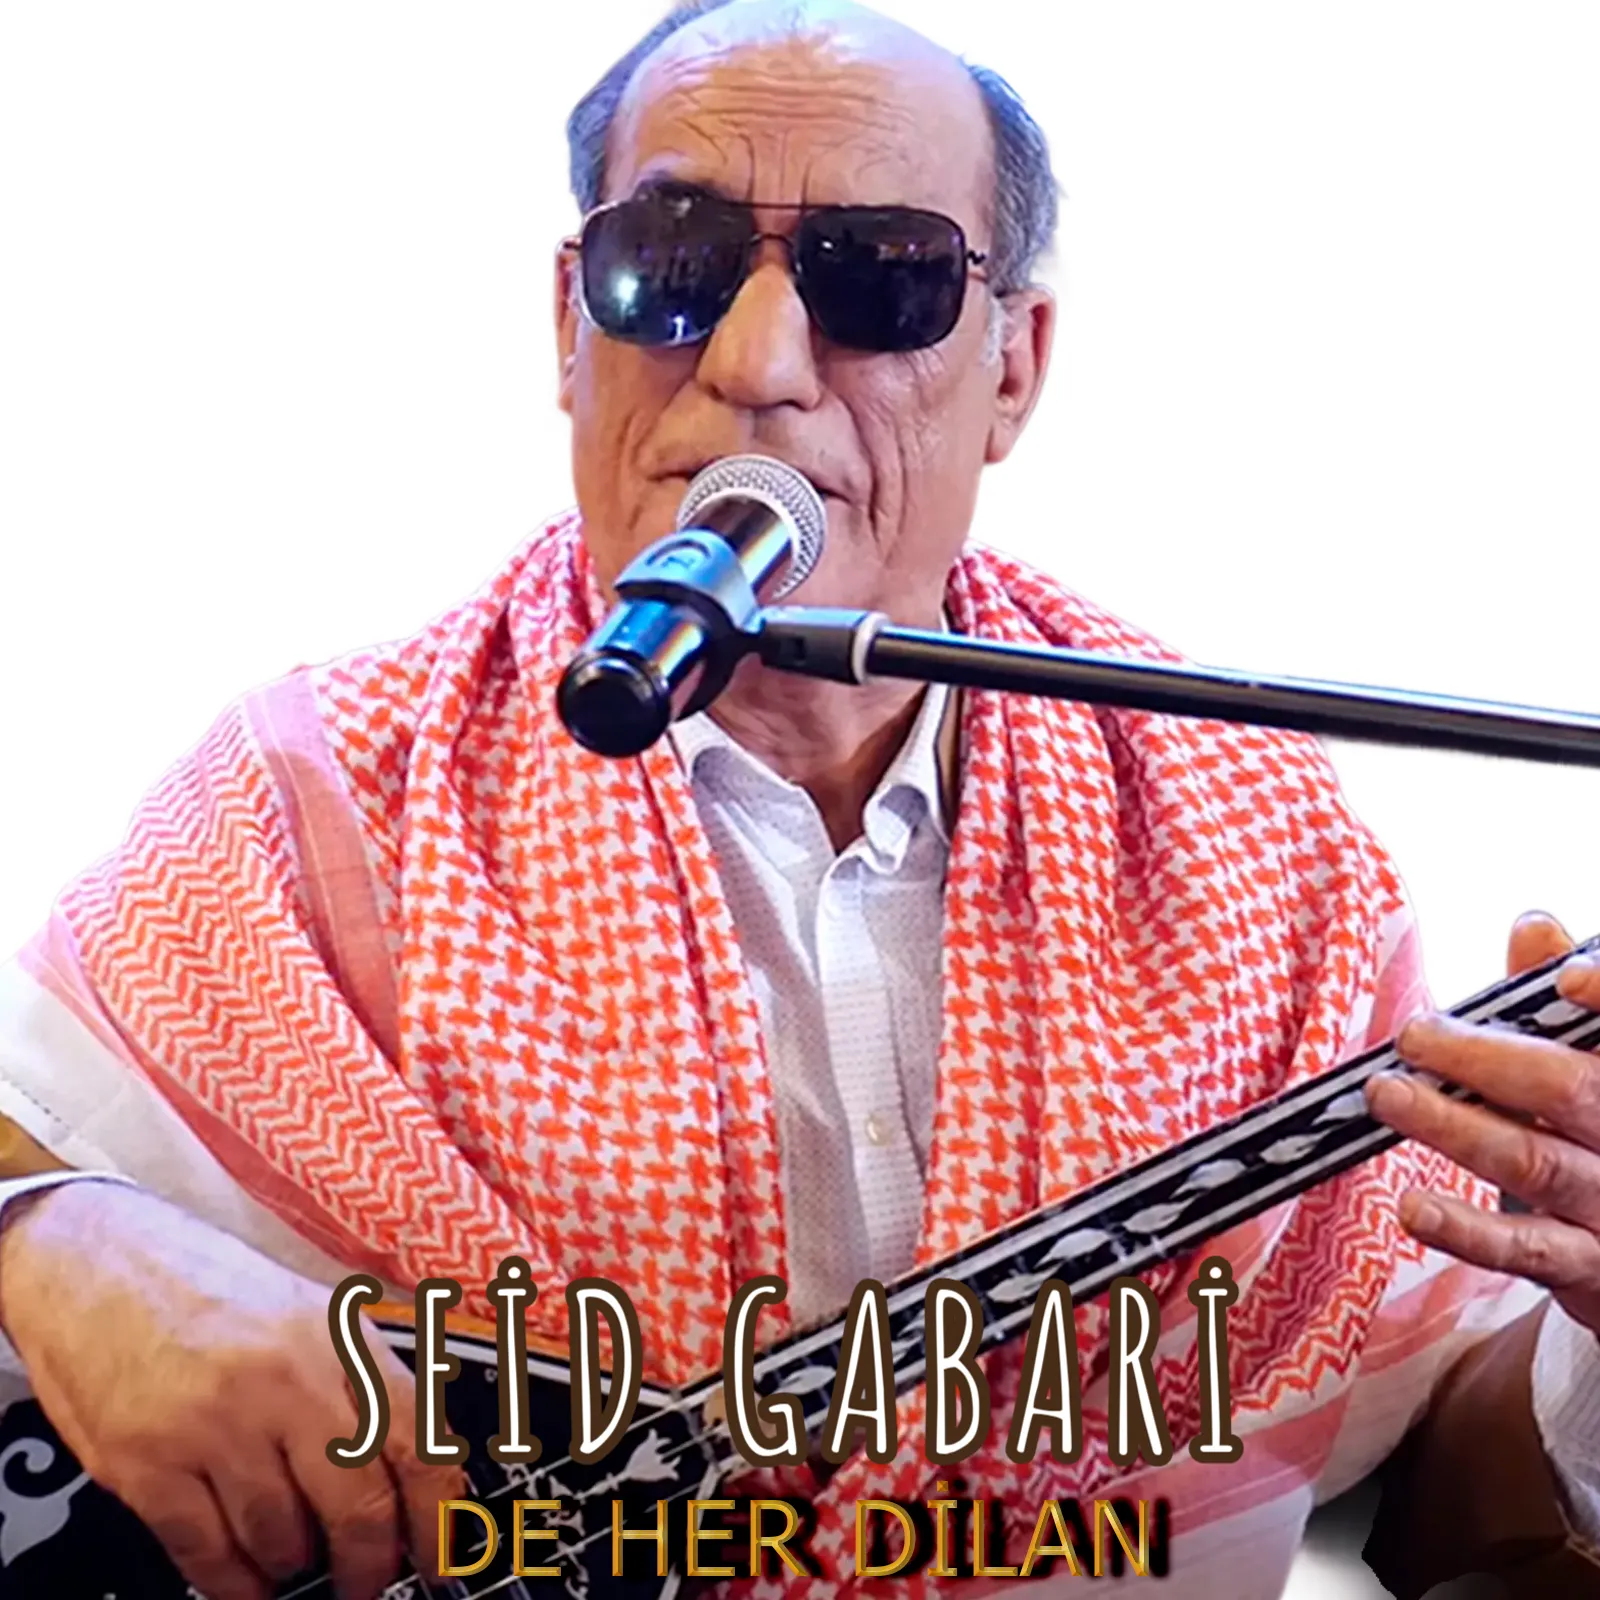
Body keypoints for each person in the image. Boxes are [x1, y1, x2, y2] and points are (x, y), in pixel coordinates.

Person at [0, 2, 1597, 1596]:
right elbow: (33, 1138)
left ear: (1013, 368)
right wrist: (54, 1237)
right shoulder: (317, 800)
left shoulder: (1257, 844)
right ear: (570, 324)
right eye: (671, 267)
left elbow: (1446, 1486)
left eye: (879, 277)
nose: (757, 365)